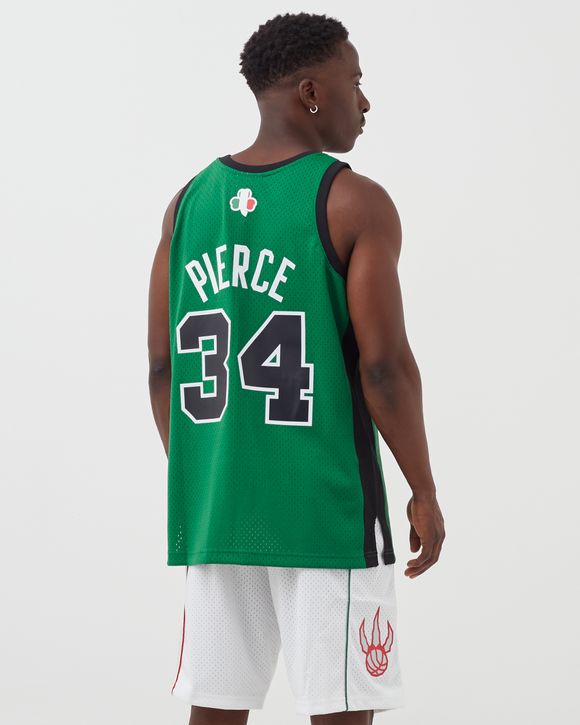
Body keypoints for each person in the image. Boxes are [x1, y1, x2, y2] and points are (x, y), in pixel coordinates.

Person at [148, 11, 445, 725]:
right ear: (311, 92)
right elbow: (385, 368)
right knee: (340, 713)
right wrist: (424, 489)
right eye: (355, 81)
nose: (365, 101)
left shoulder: (187, 205)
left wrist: (207, 471)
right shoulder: (353, 201)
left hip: (219, 512)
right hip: (326, 509)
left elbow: (162, 366)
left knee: (215, 713)